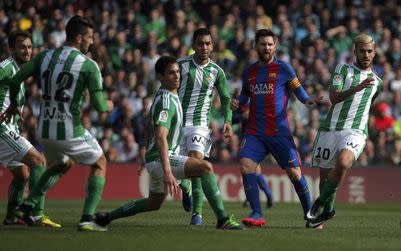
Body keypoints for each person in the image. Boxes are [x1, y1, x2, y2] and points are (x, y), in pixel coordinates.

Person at [93, 56, 243, 230]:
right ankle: (222, 219)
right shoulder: (167, 101)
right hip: (161, 160)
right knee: (205, 168)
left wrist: (145, 155)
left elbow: (150, 124)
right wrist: (167, 171)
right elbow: (160, 137)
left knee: (153, 203)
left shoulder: (166, 96)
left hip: (154, 159)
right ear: (161, 77)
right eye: (171, 73)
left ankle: (106, 217)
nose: (177, 76)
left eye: (178, 72)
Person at [1, 15, 113, 231]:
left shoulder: (45, 57)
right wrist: (108, 104)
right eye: (90, 37)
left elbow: (16, 80)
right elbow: (99, 106)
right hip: (69, 129)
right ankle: (87, 219)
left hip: (44, 129)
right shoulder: (89, 65)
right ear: (79, 38)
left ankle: (27, 206)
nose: (92, 42)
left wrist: (14, 103)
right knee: (100, 163)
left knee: (61, 163)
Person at [232, 29, 323, 228]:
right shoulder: (249, 72)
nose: (267, 48)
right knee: (246, 165)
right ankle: (257, 213)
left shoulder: (284, 69)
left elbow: (300, 92)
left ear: (276, 46)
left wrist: (309, 101)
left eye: (270, 44)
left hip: (279, 132)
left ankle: (311, 216)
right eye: (263, 44)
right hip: (255, 132)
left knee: (295, 174)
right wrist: (237, 103)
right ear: (256, 46)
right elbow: (245, 96)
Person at [306, 34, 383, 227]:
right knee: (325, 178)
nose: (366, 55)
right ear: (355, 51)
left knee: (343, 162)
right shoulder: (343, 69)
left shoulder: (378, 82)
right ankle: (328, 211)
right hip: (330, 128)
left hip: (355, 131)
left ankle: (318, 204)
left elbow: (367, 105)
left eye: (369, 51)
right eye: (362, 51)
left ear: (374, 53)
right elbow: (334, 97)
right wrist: (357, 87)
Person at [0, 31, 60, 227]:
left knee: (22, 175)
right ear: (11, 49)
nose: (27, 51)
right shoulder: (6, 68)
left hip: (9, 129)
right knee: (38, 160)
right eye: (21, 47)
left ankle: (10, 218)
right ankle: (36, 213)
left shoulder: (20, 72)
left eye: (29, 47)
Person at [177, 28, 233, 225]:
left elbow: (226, 98)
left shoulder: (217, 71)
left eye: (208, 43)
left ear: (213, 46)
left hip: (200, 124)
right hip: (177, 124)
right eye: (200, 43)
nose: (204, 47)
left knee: (197, 161)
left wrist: (228, 120)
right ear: (193, 45)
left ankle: (197, 214)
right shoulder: (180, 65)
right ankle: (185, 185)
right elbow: (166, 90)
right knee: (184, 168)